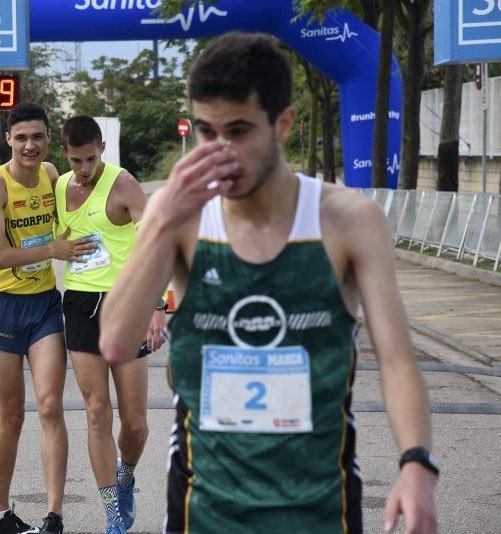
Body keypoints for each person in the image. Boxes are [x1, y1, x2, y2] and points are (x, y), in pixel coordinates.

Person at [100, 33, 438, 534]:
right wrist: (161, 221)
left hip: (319, 504)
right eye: (205, 131)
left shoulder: (349, 221)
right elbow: (114, 342)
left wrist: (416, 464)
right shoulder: (185, 219)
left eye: (238, 131)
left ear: (283, 123)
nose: (219, 151)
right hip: (204, 505)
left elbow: (396, 360)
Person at [0, 102, 96, 534]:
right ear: (8, 139)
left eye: (38, 137)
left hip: (44, 302)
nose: (30, 145)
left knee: (50, 406)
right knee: (12, 415)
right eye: (21, 137)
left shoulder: (50, 176)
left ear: (48, 141)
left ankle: (54, 515)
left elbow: (73, 221)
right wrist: (51, 251)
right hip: (1, 304)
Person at [55, 115, 166, 534]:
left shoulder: (123, 184)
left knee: (135, 422)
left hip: (126, 305)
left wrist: (158, 304)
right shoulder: (60, 185)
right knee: (97, 411)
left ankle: (127, 475)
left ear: (102, 146)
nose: (84, 168)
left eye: (91, 158)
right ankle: (112, 513)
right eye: (76, 160)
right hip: (81, 303)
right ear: (64, 153)